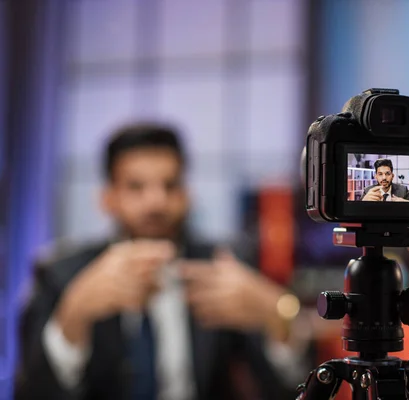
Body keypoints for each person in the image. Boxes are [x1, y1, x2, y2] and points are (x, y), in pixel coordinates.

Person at [14, 123, 309, 400]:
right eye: (136, 187)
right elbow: (31, 391)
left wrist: (276, 313)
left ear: (187, 195)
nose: (156, 202)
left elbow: (288, 389)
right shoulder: (63, 274)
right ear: (107, 198)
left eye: (170, 185)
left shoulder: (224, 267)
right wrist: (74, 313)